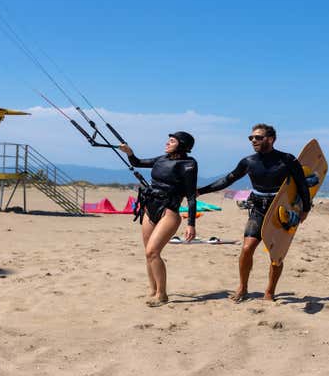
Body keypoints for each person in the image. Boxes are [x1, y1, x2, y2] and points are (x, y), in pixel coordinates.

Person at [197, 123, 311, 302]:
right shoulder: (249, 162)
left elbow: (302, 184)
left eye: (258, 137)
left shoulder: (287, 160)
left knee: (276, 254)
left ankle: (270, 292)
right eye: (251, 137)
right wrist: (201, 191)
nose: (253, 140)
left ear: (270, 139)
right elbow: (228, 179)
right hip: (258, 208)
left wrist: (305, 209)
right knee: (247, 248)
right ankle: (242, 287)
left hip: (280, 210)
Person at [119, 131, 198, 307]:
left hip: (168, 212)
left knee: (152, 252)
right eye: (168, 140)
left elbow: (191, 197)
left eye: (172, 141)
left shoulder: (189, 164)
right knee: (148, 254)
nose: (167, 143)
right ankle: (153, 290)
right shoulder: (161, 159)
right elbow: (137, 162)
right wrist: (129, 152)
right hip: (150, 208)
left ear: (182, 145)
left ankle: (162, 294)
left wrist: (191, 224)